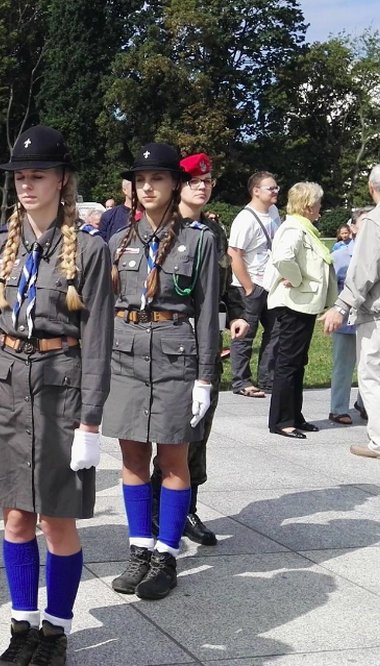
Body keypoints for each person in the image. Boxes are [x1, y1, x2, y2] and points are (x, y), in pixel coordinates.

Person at [0, 125, 113, 666]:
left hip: (59, 390)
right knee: (15, 518)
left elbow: (97, 342)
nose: (27, 185)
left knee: (57, 520)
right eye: (20, 176)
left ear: (62, 180)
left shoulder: (90, 252)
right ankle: (21, 626)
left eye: (37, 175)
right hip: (3, 386)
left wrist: (91, 422)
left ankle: (56, 630)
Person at [103, 143, 218, 601]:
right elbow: (105, 309)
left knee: (171, 460)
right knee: (131, 458)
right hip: (125, 356)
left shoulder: (199, 241)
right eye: (141, 179)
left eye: (158, 178)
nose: (148, 186)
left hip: (175, 357)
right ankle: (139, 548)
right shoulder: (119, 242)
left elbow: (207, 312)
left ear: (174, 185)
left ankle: (166, 554)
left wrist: (206, 377)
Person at [150, 153, 248, 547]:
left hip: (202, 342)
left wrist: (238, 312)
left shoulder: (212, 231)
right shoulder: (160, 227)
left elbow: (221, 285)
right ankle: (157, 508)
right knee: (169, 434)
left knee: (199, 429)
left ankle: (187, 506)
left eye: (207, 182)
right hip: (166, 343)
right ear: (178, 185)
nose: (202, 187)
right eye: (194, 181)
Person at [321, 162, 380, 461]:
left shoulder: (377, 219)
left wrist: (341, 305)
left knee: (373, 375)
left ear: (371, 187)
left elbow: (365, 269)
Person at [265, 182, 335, 439]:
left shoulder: (303, 228)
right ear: (308, 206)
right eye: (318, 203)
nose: (320, 208)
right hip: (294, 303)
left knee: (297, 362)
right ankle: (282, 421)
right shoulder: (294, 228)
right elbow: (283, 258)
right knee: (288, 362)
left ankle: (294, 415)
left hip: (302, 304)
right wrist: (295, 279)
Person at [228, 171, 282, 398]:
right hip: (249, 285)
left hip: (272, 284)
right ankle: (241, 381)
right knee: (244, 334)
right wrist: (248, 287)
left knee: (276, 330)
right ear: (256, 191)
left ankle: (268, 380)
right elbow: (234, 254)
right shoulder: (245, 219)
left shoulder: (274, 212)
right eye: (271, 188)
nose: (276, 191)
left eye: (277, 187)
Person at [328, 211, 368, 425]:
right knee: (343, 365)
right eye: (363, 222)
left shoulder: (378, 252)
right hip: (345, 321)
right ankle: (338, 408)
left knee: (370, 365)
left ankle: (365, 405)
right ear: (352, 228)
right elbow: (331, 286)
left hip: (370, 319)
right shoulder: (340, 256)